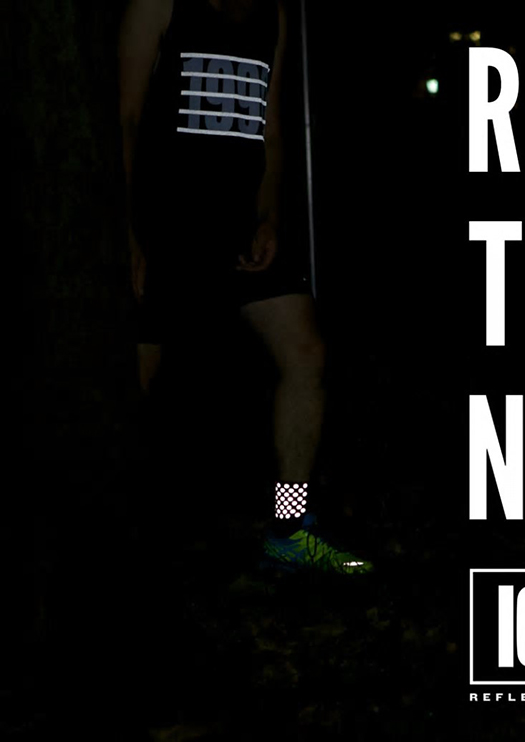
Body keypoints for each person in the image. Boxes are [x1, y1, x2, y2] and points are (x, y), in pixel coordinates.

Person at [119, 0, 370, 573]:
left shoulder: (271, 12)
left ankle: (289, 527)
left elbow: (270, 129)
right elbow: (126, 116)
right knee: (135, 379)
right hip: (169, 224)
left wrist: (268, 216)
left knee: (305, 354)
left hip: (238, 228)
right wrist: (129, 231)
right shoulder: (159, 3)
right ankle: (119, 532)